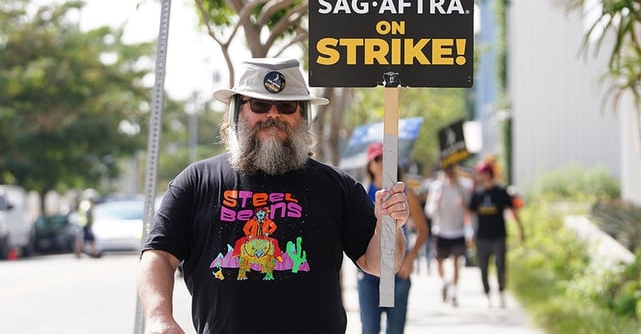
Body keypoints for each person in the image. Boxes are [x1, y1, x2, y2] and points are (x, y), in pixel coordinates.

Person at [137, 58, 411, 334]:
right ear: (236, 111)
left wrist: (389, 224)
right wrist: (159, 317)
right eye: (259, 104)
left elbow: (379, 265)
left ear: (301, 115)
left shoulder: (336, 186)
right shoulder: (196, 182)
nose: (273, 115)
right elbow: (158, 255)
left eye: (286, 106)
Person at [357, 141, 428, 334]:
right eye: (377, 158)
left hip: (398, 274)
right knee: (370, 329)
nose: (382, 163)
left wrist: (410, 259)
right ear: (370, 164)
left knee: (395, 331)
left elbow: (423, 230)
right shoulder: (360, 193)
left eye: (387, 158)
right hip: (370, 276)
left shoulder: (406, 194)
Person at [468, 157, 524, 308]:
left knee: (501, 266)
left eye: (481, 173)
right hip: (482, 237)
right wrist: (471, 234)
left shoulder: (501, 192)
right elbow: (471, 215)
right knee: (483, 267)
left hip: (499, 236)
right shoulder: (477, 194)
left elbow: (512, 210)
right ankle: (487, 294)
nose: (479, 177)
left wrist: (521, 229)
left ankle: (501, 292)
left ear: (488, 174)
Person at [424, 163, 471, 306]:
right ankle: (445, 282)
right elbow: (429, 211)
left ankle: (454, 293)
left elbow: (469, 211)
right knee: (439, 262)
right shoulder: (436, 187)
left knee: (457, 263)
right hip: (441, 231)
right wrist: (436, 203)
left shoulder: (463, 188)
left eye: (452, 171)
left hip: (458, 230)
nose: (450, 174)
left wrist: (463, 205)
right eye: (447, 171)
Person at [74, 188, 100, 258]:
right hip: (85, 224)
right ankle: (93, 253)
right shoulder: (87, 204)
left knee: (81, 239)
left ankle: (79, 254)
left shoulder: (84, 203)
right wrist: (89, 225)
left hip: (82, 224)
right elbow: (88, 213)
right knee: (89, 240)